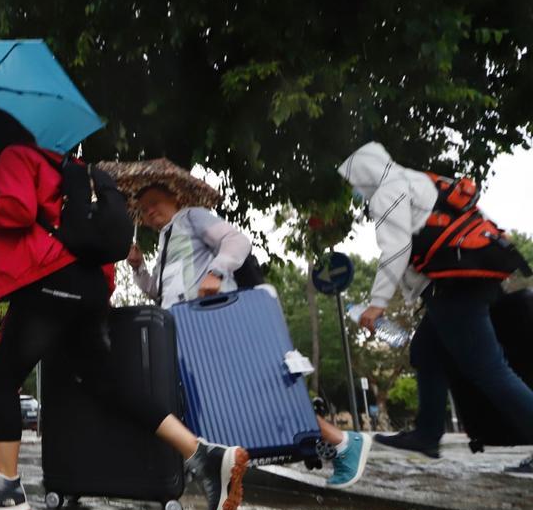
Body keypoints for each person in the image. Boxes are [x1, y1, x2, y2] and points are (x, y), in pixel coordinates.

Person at [0, 109, 249, 510]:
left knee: (3, 374)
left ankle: (5, 487)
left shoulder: (15, 157)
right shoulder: (62, 166)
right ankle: (202, 454)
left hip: (48, 281)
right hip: (89, 288)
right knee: (106, 384)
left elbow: (16, 211)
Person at [127, 182, 372, 489]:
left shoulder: (192, 217)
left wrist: (216, 272)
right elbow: (159, 293)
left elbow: (237, 241)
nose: (149, 211)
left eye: (155, 202)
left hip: (216, 320)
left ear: (174, 198)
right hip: (187, 330)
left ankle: (343, 442)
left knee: (259, 390)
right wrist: (138, 269)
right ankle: (205, 464)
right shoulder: (166, 240)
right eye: (143, 209)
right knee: (204, 397)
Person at [341, 142, 533, 458]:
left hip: (452, 288)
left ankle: (429, 433)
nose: (356, 188)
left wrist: (377, 305)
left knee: (489, 370)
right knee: (426, 353)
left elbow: (396, 250)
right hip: (475, 278)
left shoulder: (387, 193)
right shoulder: (424, 180)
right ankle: (427, 434)